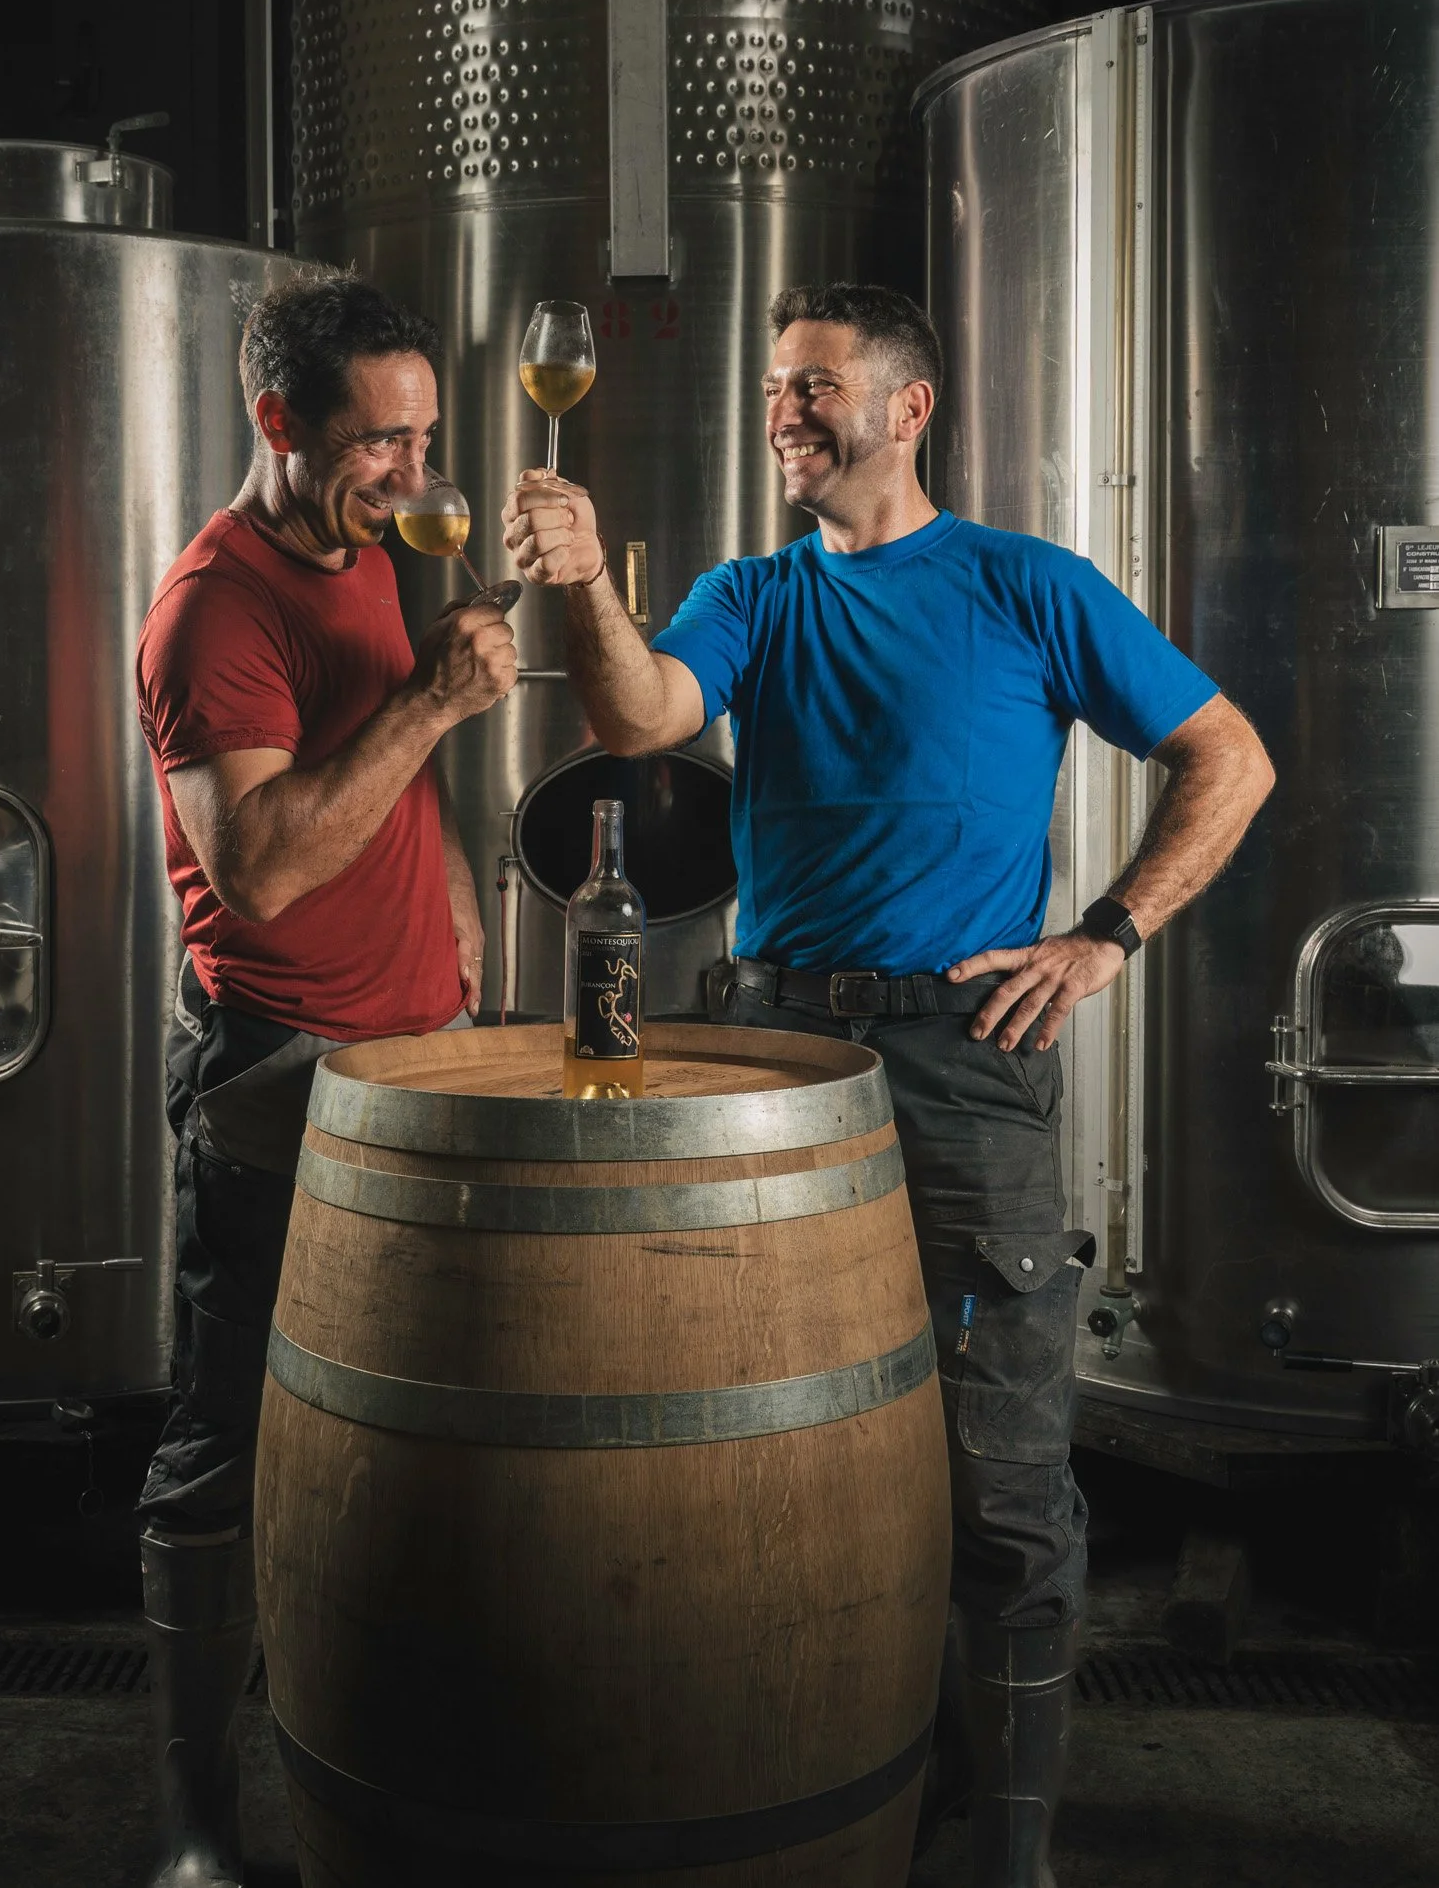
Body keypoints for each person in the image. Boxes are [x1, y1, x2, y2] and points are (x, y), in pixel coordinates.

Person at [503, 281, 1273, 1888]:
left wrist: (1105, 936)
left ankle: (1011, 1851)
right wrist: (582, 586)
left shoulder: (1025, 585)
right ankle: (845, 1790)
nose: (785, 408)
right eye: (776, 386)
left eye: (816, 385)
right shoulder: (753, 592)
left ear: (908, 407)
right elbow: (643, 714)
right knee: (769, 1456)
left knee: (997, 1477)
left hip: (963, 1060)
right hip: (772, 1053)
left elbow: (1229, 756)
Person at [134, 273, 516, 1887]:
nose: (416, 476)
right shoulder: (212, 610)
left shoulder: (363, 549)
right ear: (276, 422)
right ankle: (199, 1824)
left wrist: (452, 912)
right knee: (232, 1444)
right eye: (379, 443)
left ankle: (371, 1745)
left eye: (427, 438)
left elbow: (380, 793)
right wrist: (437, 699)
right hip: (282, 1075)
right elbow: (268, 870)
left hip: (414, 1059)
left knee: (403, 1429)